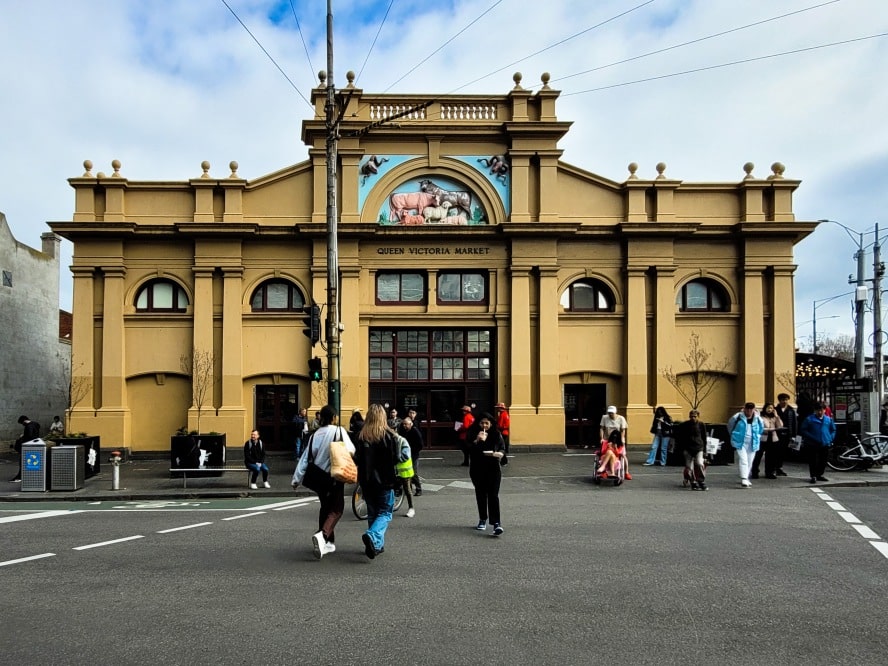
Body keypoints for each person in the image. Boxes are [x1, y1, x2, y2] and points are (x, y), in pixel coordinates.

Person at [292, 405, 355, 559]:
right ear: (333, 418)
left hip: (318, 478)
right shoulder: (338, 431)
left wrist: (296, 479)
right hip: (333, 476)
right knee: (337, 509)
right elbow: (351, 449)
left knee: (325, 508)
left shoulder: (314, 435)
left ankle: (328, 543)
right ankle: (322, 535)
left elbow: (305, 458)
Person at [353, 404, 410, 559]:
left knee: (373, 512)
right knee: (385, 512)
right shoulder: (389, 436)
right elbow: (396, 458)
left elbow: (357, 458)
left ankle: (376, 545)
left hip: (366, 480)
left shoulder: (361, 435)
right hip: (385, 480)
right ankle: (372, 536)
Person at [466, 412, 506, 535]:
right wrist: (477, 440)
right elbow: (467, 449)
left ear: (491, 424)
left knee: (493, 495)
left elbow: (502, 448)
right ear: (478, 423)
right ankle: (482, 519)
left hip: (493, 468)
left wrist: (500, 454)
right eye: (482, 423)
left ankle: (496, 523)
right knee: (481, 494)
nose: (484, 425)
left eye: (487, 423)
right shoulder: (473, 433)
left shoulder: (496, 434)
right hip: (478, 468)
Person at [727, 402, 764, 488]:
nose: (749, 411)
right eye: (747, 408)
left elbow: (761, 428)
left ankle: (746, 477)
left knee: (750, 460)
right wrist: (733, 435)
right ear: (744, 408)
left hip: (753, 442)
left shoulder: (758, 418)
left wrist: (758, 435)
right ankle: (744, 478)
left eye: (751, 409)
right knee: (743, 459)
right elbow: (730, 425)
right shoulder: (737, 417)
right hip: (740, 441)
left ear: (754, 409)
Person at [799, 401, 836, 484]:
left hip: (825, 442)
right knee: (813, 460)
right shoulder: (809, 419)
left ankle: (820, 474)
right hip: (812, 443)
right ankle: (813, 475)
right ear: (815, 411)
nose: (819, 412)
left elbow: (833, 429)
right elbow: (803, 430)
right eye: (818, 410)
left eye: (821, 410)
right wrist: (812, 437)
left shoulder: (828, 419)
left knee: (823, 460)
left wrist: (830, 438)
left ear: (824, 410)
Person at [673, 409, 708, 490]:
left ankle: (701, 480)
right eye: (691, 416)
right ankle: (693, 482)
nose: (693, 418)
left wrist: (705, 450)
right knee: (689, 467)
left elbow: (704, 437)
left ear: (698, 416)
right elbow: (679, 436)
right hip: (688, 449)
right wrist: (681, 448)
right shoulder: (684, 425)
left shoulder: (701, 425)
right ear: (689, 416)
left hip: (698, 447)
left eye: (695, 416)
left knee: (699, 463)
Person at [752, 402, 783, 479]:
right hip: (762, 439)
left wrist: (777, 416)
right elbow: (758, 427)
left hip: (773, 439)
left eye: (771, 408)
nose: (770, 409)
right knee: (758, 456)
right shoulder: (760, 416)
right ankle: (755, 472)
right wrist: (769, 429)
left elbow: (780, 426)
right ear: (765, 408)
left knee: (771, 457)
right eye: (768, 408)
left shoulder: (774, 417)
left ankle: (769, 472)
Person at [599, 406, 631, 479]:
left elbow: (623, 430)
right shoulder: (604, 418)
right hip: (607, 439)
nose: (610, 414)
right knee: (606, 453)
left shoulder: (621, 418)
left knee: (623, 455)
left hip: (618, 439)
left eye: (612, 413)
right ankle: (605, 471)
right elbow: (601, 428)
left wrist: (622, 439)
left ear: (615, 412)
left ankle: (626, 472)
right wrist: (601, 438)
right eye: (609, 413)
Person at [398, 416, 424, 496]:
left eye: (406, 424)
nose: (405, 426)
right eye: (404, 424)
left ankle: (418, 489)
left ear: (411, 424)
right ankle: (408, 489)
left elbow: (420, 444)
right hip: (405, 454)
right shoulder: (403, 431)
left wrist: (413, 451)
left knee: (413, 472)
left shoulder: (415, 431)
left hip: (413, 454)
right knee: (405, 472)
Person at [11, 415, 41, 482]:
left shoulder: (28, 426)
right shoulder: (36, 424)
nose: (23, 425)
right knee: (33, 463)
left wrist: (23, 436)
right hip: (35, 445)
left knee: (23, 462)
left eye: (22, 423)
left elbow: (29, 436)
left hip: (27, 447)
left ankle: (20, 476)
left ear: (24, 421)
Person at [774, 393, 798, 476]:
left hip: (788, 434)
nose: (784, 401)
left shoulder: (791, 410)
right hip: (777, 434)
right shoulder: (775, 409)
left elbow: (794, 424)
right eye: (783, 400)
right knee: (776, 452)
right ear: (779, 400)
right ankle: (774, 468)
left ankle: (780, 468)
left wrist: (795, 437)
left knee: (785, 452)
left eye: (786, 400)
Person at [394, 432, 416, 518]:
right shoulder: (388, 439)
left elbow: (406, 455)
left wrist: (396, 458)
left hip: (404, 470)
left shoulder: (401, 441)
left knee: (407, 489)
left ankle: (411, 508)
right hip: (395, 470)